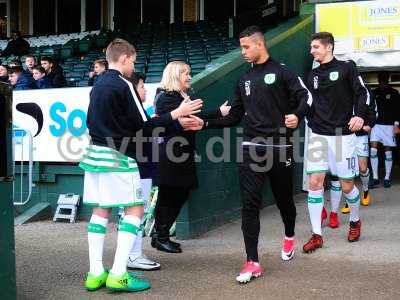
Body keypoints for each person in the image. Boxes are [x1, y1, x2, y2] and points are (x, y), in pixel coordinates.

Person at [188, 25, 312, 283]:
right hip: (251, 149)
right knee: (250, 205)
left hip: (279, 148)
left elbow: (306, 97)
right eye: (241, 47)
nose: (242, 51)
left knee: (283, 200)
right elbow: (234, 116)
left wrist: (296, 116)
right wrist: (206, 123)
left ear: (260, 44)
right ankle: (252, 261)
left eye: (246, 47)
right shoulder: (243, 80)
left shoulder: (284, 72)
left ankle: (289, 234)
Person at [79, 38, 202, 293]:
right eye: (133, 62)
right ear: (124, 58)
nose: (133, 67)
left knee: (100, 211)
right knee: (135, 210)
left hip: (95, 155)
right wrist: (177, 114)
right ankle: (119, 274)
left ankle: (95, 272)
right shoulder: (124, 84)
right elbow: (145, 125)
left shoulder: (98, 82)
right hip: (120, 156)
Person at [152, 61, 230, 254]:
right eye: (185, 73)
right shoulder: (165, 97)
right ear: (175, 75)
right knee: (169, 195)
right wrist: (218, 113)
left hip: (182, 153)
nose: (189, 77)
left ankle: (159, 235)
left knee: (180, 193)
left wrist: (216, 114)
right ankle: (161, 237)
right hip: (170, 155)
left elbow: (196, 118)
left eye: (189, 73)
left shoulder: (182, 96)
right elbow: (188, 122)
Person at [303, 32, 370, 254]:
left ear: (328, 47)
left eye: (315, 47)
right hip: (318, 136)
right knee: (315, 183)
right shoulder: (312, 73)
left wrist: (360, 115)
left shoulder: (347, 68)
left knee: (347, 186)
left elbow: (362, 93)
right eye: (311, 48)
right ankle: (316, 234)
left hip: (343, 136)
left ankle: (354, 220)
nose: (312, 51)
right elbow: (308, 102)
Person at [122, 72, 161, 271]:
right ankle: (133, 255)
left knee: (133, 213)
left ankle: (131, 254)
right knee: (135, 213)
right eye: (142, 86)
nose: (145, 89)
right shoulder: (136, 113)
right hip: (139, 168)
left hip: (140, 167)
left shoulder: (139, 112)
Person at [369, 72, 400, 188]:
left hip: (389, 125)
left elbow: (398, 109)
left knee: (387, 150)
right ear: (378, 80)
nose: (382, 82)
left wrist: (396, 124)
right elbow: (370, 109)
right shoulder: (374, 92)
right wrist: (369, 124)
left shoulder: (394, 92)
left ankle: (387, 178)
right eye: (380, 80)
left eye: (384, 80)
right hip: (376, 125)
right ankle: (376, 177)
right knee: (373, 149)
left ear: (387, 80)